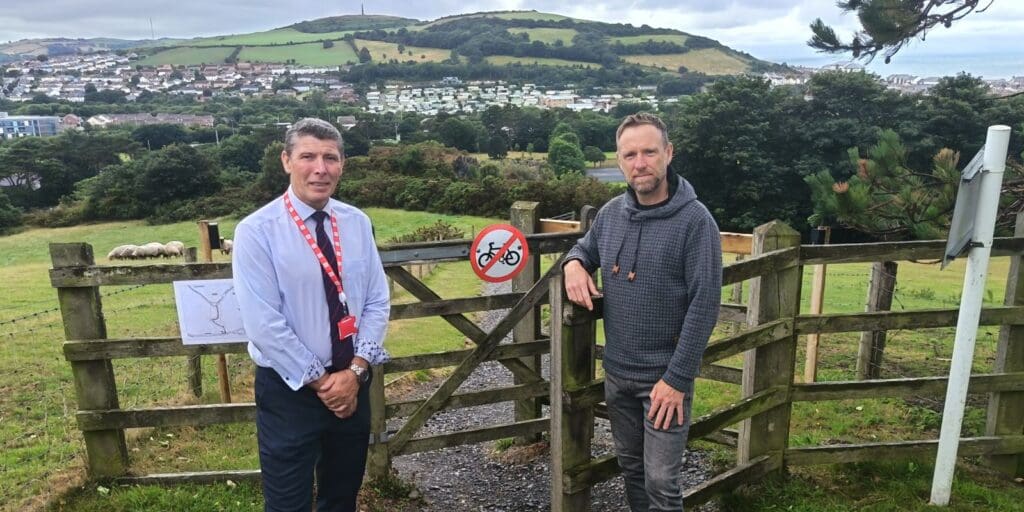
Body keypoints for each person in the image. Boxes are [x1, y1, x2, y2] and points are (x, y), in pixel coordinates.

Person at [563, 112, 722, 511]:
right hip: (618, 376)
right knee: (631, 469)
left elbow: (705, 305)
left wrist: (678, 379)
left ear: (668, 153)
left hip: (665, 383)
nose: (640, 163)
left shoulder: (695, 222)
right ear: (619, 161)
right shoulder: (611, 214)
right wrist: (573, 265)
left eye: (649, 152)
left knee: (661, 483)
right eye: (629, 154)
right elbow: (583, 248)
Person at [233, 118, 390, 512]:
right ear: (286, 161)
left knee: (341, 498)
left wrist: (354, 373)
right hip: (290, 392)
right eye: (307, 156)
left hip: (352, 385)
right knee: (288, 504)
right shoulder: (257, 231)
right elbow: (263, 324)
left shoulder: (357, 222)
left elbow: (376, 300)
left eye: (330, 158)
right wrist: (323, 382)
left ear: (342, 165)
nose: (320, 168)